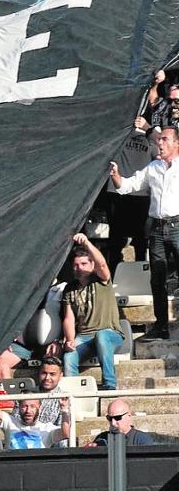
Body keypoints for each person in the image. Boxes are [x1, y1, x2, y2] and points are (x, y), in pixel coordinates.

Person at [111, 127, 179, 341]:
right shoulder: (154, 167)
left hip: (178, 225)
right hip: (157, 228)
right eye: (159, 139)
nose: (160, 142)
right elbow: (130, 185)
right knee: (157, 278)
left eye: (165, 139)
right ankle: (161, 326)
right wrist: (116, 176)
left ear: (177, 143)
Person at [60, 234, 122, 387]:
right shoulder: (69, 288)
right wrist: (69, 340)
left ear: (91, 264)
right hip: (84, 337)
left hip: (110, 333)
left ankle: (109, 386)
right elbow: (69, 318)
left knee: (102, 335)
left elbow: (101, 264)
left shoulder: (101, 280)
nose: (79, 268)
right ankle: (72, 394)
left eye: (83, 263)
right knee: (69, 356)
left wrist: (87, 243)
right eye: (76, 265)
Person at [0, 368, 71, 449]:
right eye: (25, 406)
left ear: (40, 408)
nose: (28, 411)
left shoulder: (47, 429)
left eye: (32, 406)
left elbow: (65, 433)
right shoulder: (9, 422)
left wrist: (64, 410)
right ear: (19, 407)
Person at [84, 399, 156, 447]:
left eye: (117, 418)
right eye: (109, 418)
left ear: (128, 416)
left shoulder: (142, 439)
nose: (113, 423)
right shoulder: (102, 438)